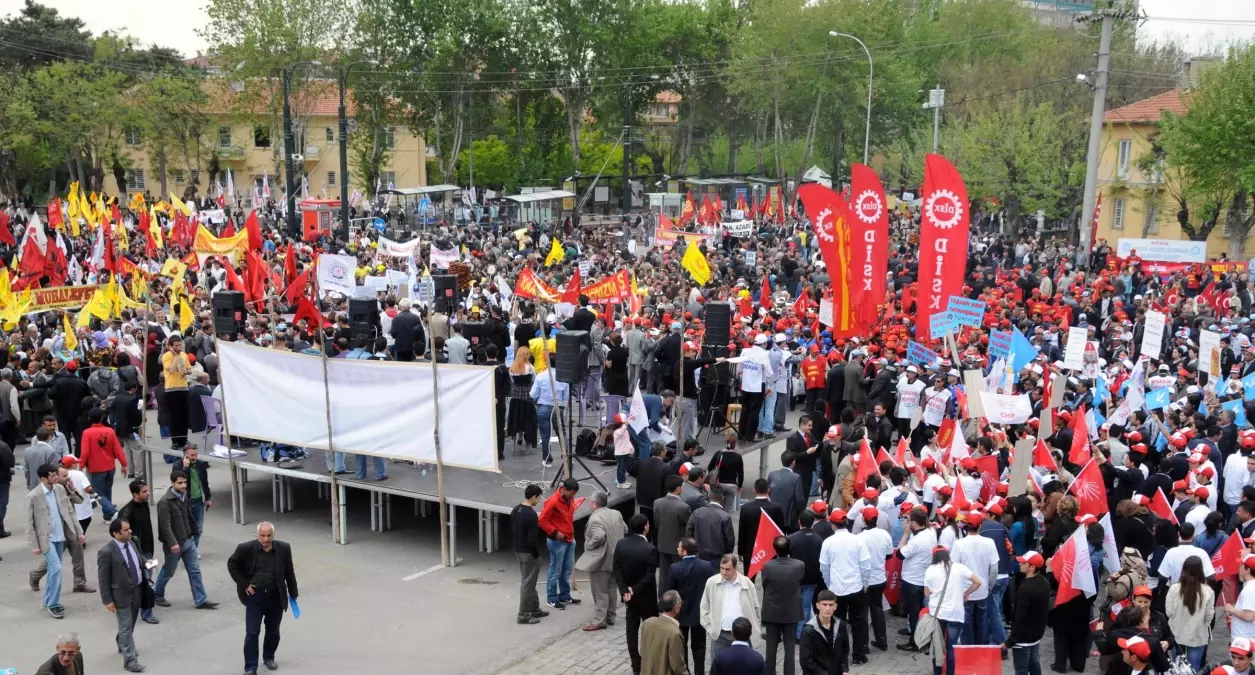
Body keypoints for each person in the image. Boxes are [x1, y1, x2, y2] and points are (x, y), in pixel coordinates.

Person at [227, 521, 300, 675]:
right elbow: (232, 564)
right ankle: (250, 667)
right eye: (262, 535)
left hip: (275, 595)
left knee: (273, 630)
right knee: (252, 632)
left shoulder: (283, 548)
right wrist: (244, 584)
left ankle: (269, 657)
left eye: (269, 535)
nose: (266, 539)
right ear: (257, 535)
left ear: (273, 534)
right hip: (254, 596)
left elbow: (289, 571)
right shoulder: (245, 548)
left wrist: (293, 593)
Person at [26, 463, 86, 619]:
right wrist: (34, 545)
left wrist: (79, 531)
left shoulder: (59, 489)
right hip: (46, 539)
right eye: (53, 475)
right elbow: (29, 523)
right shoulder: (33, 496)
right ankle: (53, 604)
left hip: (61, 535)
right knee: (57, 568)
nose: (56, 477)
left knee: (54, 570)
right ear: (44, 478)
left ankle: (47, 600)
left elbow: (71, 512)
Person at [153, 470, 218, 610]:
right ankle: (157, 595)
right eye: (180, 483)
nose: (183, 486)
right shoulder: (165, 502)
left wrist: (195, 533)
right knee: (168, 571)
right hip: (175, 545)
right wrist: (173, 543)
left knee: (195, 571)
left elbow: (189, 518)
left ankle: (201, 600)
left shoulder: (184, 497)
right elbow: (165, 526)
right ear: (172, 483)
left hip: (188, 541)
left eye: (185, 482)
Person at [817, 508, 870, 664]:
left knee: (835, 624)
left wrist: (829, 585)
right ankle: (858, 656)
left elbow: (824, 567)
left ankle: (837, 656)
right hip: (856, 588)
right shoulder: (857, 541)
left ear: (832, 524)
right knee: (858, 623)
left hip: (836, 590)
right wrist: (865, 583)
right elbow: (865, 565)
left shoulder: (828, 543)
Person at [97, 517, 148, 672]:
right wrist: (107, 600)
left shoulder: (132, 542)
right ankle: (130, 661)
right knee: (125, 626)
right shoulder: (106, 552)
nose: (130, 531)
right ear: (116, 533)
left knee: (131, 622)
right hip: (121, 595)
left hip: (138, 589)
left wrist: (146, 562)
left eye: (129, 528)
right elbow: (103, 579)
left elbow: (138, 558)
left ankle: (122, 643)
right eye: (126, 530)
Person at [924, 547, 982, 675]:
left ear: (934, 557)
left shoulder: (930, 570)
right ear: (948, 555)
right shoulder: (959, 567)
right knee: (951, 647)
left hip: (937, 614)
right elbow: (978, 581)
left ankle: (937, 672)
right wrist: (966, 593)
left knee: (937, 647)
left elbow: (927, 593)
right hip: (955, 613)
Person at [615, 513, 660, 675]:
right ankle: (650, 662)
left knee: (631, 631)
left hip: (629, 598)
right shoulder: (650, 549)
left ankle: (636, 665)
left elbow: (617, 570)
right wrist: (635, 588)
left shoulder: (621, 544)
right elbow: (649, 575)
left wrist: (625, 590)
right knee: (651, 632)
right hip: (647, 597)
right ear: (646, 527)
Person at [576, 491, 627, 631]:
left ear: (594, 504)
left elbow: (599, 536)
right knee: (612, 588)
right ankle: (611, 616)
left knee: (600, 591)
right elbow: (625, 528)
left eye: (590, 502)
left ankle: (599, 620)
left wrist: (588, 544)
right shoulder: (616, 513)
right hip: (616, 558)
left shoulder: (595, 519)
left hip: (602, 560)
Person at [666, 537, 716, 675]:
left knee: (681, 648)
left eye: (679, 547)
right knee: (700, 647)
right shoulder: (707, 566)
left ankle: (685, 671)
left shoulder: (675, 568)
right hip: (700, 613)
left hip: (680, 614)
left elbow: (669, 591)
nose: (677, 549)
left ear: (684, 551)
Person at [699, 554, 763, 662]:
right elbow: (704, 607)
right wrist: (710, 629)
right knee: (719, 666)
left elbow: (756, 607)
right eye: (721, 568)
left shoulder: (746, 583)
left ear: (735, 568)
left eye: (727, 569)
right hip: (720, 635)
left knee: (743, 667)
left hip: (742, 636)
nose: (724, 572)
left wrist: (753, 627)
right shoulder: (712, 582)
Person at [950, 510, 1000, 646]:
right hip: (982, 591)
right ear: (980, 526)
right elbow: (994, 569)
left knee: (966, 626)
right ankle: (979, 651)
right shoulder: (989, 543)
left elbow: (953, 569)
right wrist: (989, 586)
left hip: (964, 592)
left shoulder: (958, 544)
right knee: (981, 625)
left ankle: (968, 653)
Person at [761, 535, 805, 675]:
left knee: (771, 648)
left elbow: (764, 584)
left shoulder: (767, 566)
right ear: (790, 548)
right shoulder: (799, 565)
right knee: (790, 648)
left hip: (772, 612)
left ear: (774, 549)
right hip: (791, 612)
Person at [897, 506, 939, 651]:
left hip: (912, 581)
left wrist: (905, 534)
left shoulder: (917, 540)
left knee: (914, 613)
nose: (906, 522)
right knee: (920, 611)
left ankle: (915, 642)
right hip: (923, 580)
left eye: (908, 520)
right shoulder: (931, 532)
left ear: (914, 523)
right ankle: (921, 637)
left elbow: (900, 553)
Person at [118, 479, 159, 624]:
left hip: (148, 549)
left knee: (146, 580)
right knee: (144, 581)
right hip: (137, 552)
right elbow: (120, 533)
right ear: (135, 494)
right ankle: (146, 612)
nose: (148, 494)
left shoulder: (145, 504)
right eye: (144, 492)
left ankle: (140, 604)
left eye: (147, 491)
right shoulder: (127, 512)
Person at [1165, 556, 1215, 670]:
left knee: (1176, 668)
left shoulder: (1174, 589)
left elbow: (1169, 612)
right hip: (1198, 635)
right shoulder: (1208, 591)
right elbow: (1209, 617)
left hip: (1176, 633)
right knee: (1194, 669)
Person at [78, 406, 127, 521]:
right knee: (107, 490)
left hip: (95, 468)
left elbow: (84, 452)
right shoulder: (109, 431)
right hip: (110, 466)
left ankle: (111, 511)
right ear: (102, 418)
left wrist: (80, 467)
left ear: (90, 418)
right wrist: (124, 464)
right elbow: (118, 449)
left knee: (98, 493)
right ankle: (107, 515)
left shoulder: (87, 433)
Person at [539, 478, 581, 609]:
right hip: (557, 541)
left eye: (574, 494)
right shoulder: (553, 502)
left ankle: (564, 595)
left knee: (567, 570)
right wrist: (555, 532)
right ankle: (551, 598)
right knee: (555, 571)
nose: (573, 496)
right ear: (564, 489)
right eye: (572, 493)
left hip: (568, 539)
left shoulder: (569, 499)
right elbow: (542, 520)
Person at [857, 505, 894, 651]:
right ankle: (882, 641)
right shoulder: (885, 535)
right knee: (877, 609)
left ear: (863, 521)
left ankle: (864, 644)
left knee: (863, 612)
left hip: (864, 581)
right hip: (879, 579)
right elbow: (889, 555)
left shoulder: (859, 538)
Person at [510, 484, 547, 624]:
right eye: (538, 497)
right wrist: (536, 554)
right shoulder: (531, 515)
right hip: (528, 552)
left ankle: (534, 609)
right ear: (533, 497)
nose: (539, 500)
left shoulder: (516, 510)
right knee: (528, 584)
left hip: (518, 550)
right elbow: (532, 539)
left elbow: (511, 531)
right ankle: (524, 615)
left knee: (529, 581)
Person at [1008, 552, 1051, 675]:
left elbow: (1020, 617)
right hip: (1036, 635)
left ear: (1032, 567)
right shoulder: (1044, 582)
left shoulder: (1025, 589)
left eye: (1024, 562)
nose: (1020, 564)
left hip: (1023, 638)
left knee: (1021, 669)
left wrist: (1011, 640)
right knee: (1034, 665)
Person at [789, 510, 826, 640]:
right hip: (812, 578)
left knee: (793, 604)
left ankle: (792, 631)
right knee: (806, 606)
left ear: (799, 522)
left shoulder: (792, 539)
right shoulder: (818, 539)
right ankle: (800, 633)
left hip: (796, 578)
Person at [654, 474, 692, 595]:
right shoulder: (683, 507)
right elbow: (688, 528)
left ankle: (662, 600)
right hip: (678, 547)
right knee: (679, 576)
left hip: (662, 544)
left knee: (663, 576)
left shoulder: (657, 502)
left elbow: (657, 522)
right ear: (677, 489)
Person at [799, 590, 850, 675]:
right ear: (818, 605)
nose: (828, 608)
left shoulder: (841, 626)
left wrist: (844, 669)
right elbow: (806, 661)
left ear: (835, 606)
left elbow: (845, 650)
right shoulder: (809, 630)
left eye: (831, 605)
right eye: (824, 604)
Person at [641, 589, 690, 675]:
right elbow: (678, 666)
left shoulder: (647, 622)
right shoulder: (674, 633)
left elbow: (643, 650)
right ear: (676, 607)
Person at [686, 483, 734, 563]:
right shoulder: (725, 516)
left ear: (708, 496)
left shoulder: (696, 513)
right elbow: (730, 539)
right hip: (718, 557)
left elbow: (688, 532)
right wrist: (728, 552)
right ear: (722, 498)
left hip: (699, 556)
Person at [174, 443, 211, 544]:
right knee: (187, 529)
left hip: (199, 500)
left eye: (196, 454)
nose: (195, 457)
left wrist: (208, 497)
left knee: (198, 529)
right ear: (185, 456)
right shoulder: (178, 465)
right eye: (192, 455)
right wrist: (185, 468)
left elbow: (205, 482)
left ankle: (193, 551)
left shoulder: (200, 465)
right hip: (186, 501)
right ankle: (189, 551)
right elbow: (179, 483)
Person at [162, 335, 192, 449]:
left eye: (180, 345)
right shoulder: (167, 356)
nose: (178, 347)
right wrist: (174, 356)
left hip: (183, 387)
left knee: (184, 416)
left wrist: (187, 371)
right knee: (174, 416)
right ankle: (175, 440)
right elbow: (171, 369)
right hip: (171, 389)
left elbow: (189, 369)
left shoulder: (184, 355)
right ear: (170, 346)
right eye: (176, 346)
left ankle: (184, 440)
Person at [768, 451, 805, 534]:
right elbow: (799, 500)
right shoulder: (796, 477)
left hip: (774, 516)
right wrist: (802, 514)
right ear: (793, 462)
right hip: (790, 519)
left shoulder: (772, 475)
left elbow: (768, 494)